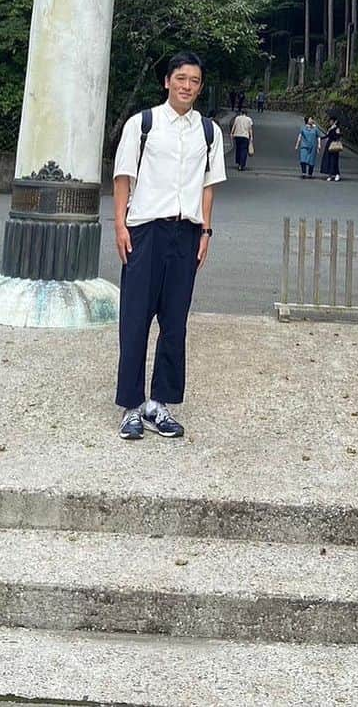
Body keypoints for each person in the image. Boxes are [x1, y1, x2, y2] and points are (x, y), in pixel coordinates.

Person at [112, 51, 226, 442]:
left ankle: (160, 403)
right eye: (180, 78)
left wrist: (206, 232)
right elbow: (123, 176)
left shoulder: (209, 132)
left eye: (194, 81)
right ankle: (131, 405)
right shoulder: (142, 125)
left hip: (187, 233)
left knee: (174, 322)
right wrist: (120, 226)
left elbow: (208, 185)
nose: (186, 86)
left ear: (200, 87)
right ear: (166, 81)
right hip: (145, 230)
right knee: (135, 318)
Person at [320, 116, 342, 181]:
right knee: (328, 160)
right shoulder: (330, 128)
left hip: (334, 145)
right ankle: (330, 175)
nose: (330, 122)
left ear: (334, 121)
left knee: (334, 160)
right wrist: (320, 138)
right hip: (329, 145)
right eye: (330, 121)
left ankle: (337, 174)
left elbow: (337, 137)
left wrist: (336, 131)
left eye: (331, 121)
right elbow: (327, 136)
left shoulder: (337, 128)